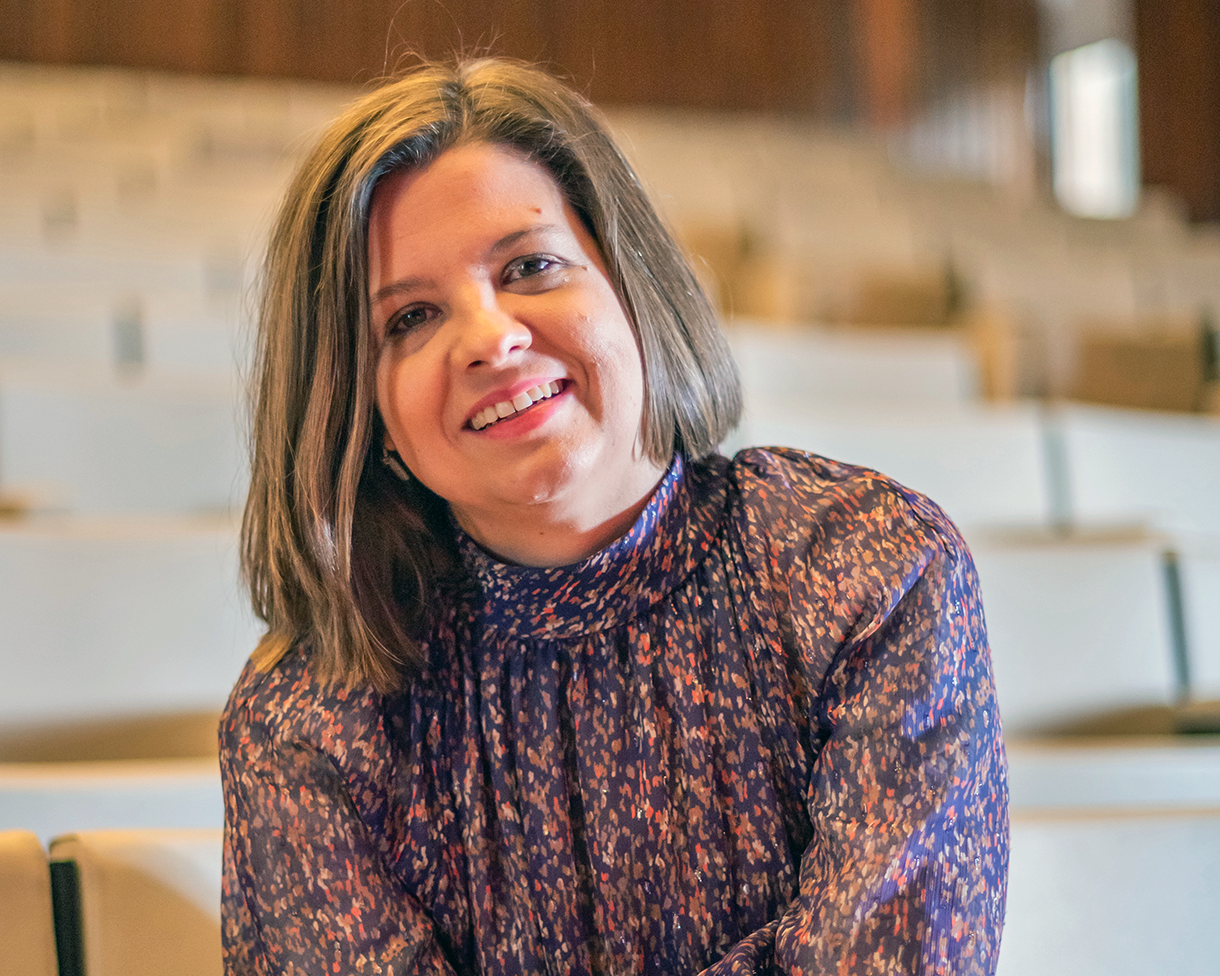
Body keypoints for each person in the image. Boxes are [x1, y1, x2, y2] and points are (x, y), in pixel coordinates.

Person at [221, 58, 1008, 976]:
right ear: (360, 410)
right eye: (411, 319)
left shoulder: (870, 569)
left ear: (630, 282)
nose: (491, 338)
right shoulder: (306, 721)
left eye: (530, 266)